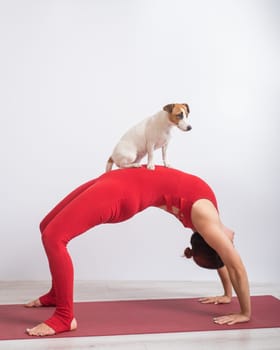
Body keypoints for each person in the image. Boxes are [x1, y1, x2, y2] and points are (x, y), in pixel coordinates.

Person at [25, 166, 251, 336]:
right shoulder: (209, 220)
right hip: (117, 179)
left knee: (54, 237)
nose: (232, 243)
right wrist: (235, 303)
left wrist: (236, 304)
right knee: (47, 226)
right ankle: (56, 295)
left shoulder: (207, 220)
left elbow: (230, 263)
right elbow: (231, 264)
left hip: (121, 192)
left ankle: (65, 317)